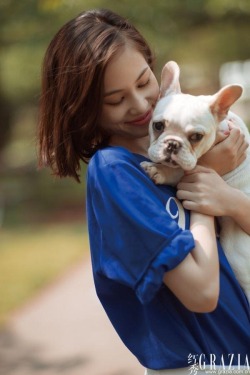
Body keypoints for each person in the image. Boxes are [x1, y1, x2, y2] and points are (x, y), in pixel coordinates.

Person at [38, 8, 250, 374]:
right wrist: (203, 179)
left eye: (143, 82)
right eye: (115, 99)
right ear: (83, 107)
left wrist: (231, 198)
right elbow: (201, 292)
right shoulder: (115, 173)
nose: (139, 105)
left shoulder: (193, 144)